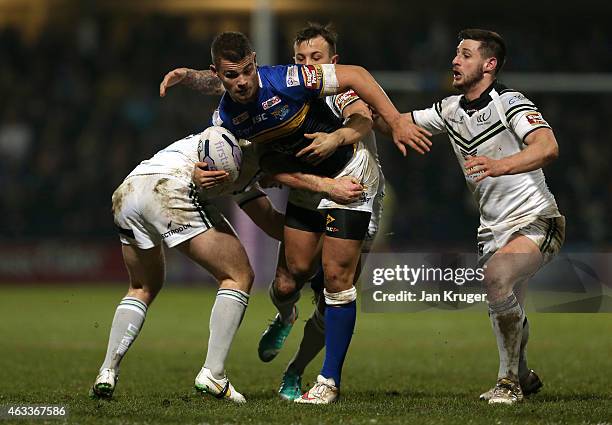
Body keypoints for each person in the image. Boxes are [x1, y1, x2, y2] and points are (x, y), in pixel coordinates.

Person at [160, 30, 431, 404]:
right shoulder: (228, 118)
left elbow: (363, 106)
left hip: (353, 178)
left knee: (335, 283)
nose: (307, 65)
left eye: (315, 57)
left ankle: (317, 377)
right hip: (310, 184)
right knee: (289, 281)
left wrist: (391, 123)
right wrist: (200, 173)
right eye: (301, 57)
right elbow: (262, 165)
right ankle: (286, 316)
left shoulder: (307, 83)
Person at [89, 127, 364, 403]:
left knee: (142, 286)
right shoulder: (248, 153)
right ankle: (213, 373)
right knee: (238, 276)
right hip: (169, 188)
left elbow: (270, 222)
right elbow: (236, 166)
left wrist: (316, 239)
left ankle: (106, 371)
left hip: (129, 190)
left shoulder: (239, 161)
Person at [399, 28, 565, 404]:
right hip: (492, 231)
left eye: (466, 54)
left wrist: (500, 165)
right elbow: (402, 121)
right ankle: (520, 372)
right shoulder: (450, 109)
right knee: (505, 301)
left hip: (539, 220)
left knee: (496, 278)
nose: (455, 61)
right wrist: (360, 108)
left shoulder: (510, 102)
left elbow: (548, 146)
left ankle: (507, 384)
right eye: (456, 54)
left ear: (489, 65)